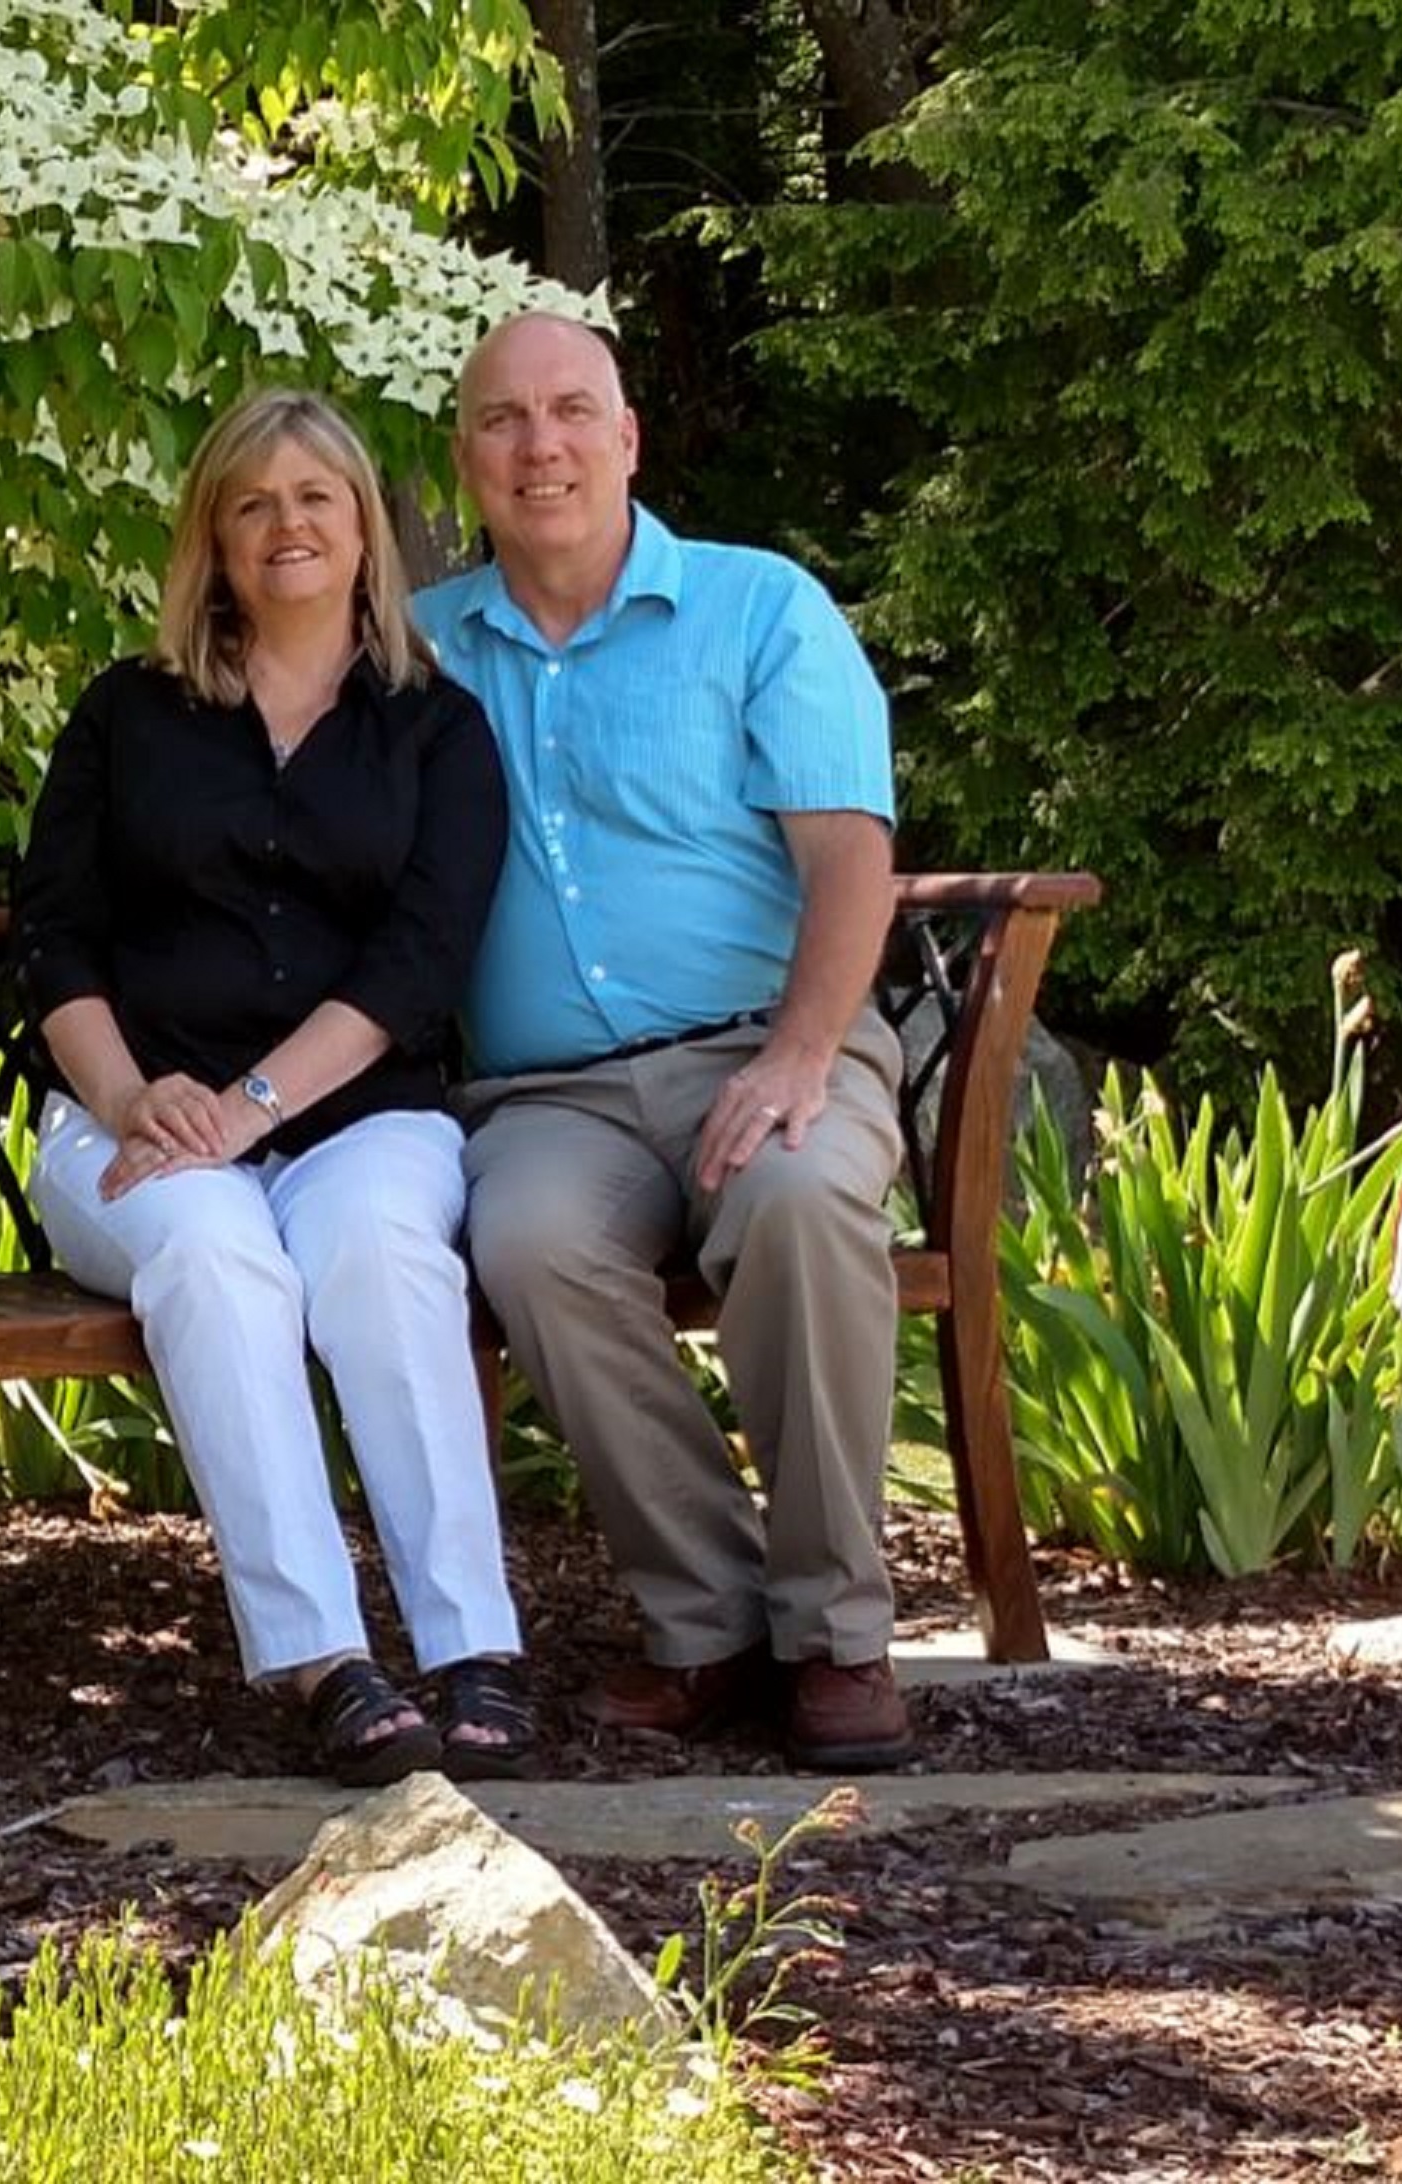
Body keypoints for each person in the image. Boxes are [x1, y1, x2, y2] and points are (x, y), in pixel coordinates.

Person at [12, 387, 533, 1787]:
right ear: (215, 542)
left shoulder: (438, 729)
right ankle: (323, 1659)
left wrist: (247, 1104)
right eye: (253, 503)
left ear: (367, 527)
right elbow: (54, 935)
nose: (287, 525)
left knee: (379, 1257)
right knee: (217, 1256)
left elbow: (421, 962)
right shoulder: (128, 715)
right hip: (126, 1126)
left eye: (316, 497)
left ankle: (472, 1646)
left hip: (361, 1120)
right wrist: (136, 1104)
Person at [417, 312, 913, 1772]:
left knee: (808, 1201)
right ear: (466, 458)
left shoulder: (762, 610)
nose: (540, 445)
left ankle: (835, 1635)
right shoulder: (421, 649)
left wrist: (802, 1055)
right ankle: (708, 1625)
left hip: (769, 1045)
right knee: (529, 1244)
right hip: (546, 1096)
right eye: (502, 419)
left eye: (572, 410)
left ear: (630, 438)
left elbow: (850, 859)